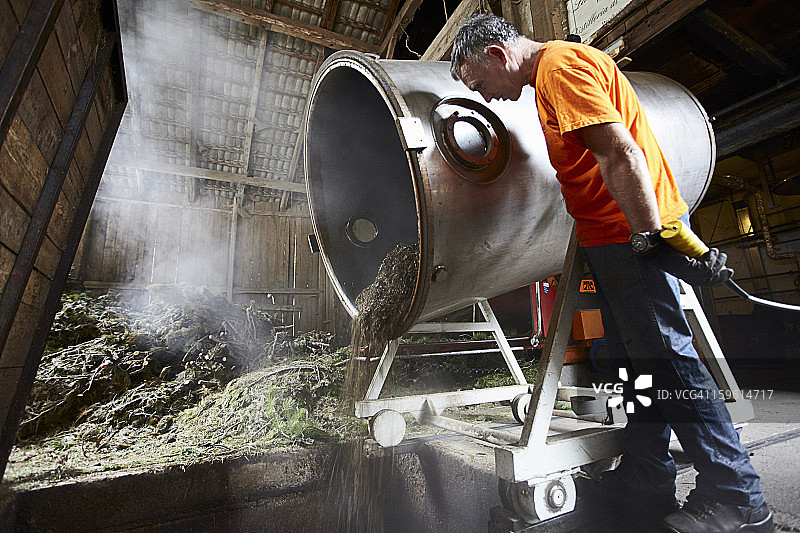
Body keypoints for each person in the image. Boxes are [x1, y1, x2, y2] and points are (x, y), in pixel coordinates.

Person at [450, 14, 774, 533]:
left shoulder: (559, 68)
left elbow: (620, 151)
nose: (485, 95)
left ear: (496, 53)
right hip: (613, 239)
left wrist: (650, 238)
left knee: (670, 365)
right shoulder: (551, 75)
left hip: (630, 236)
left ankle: (737, 495)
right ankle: (646, 476)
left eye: (479, 82)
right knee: (635, 364)